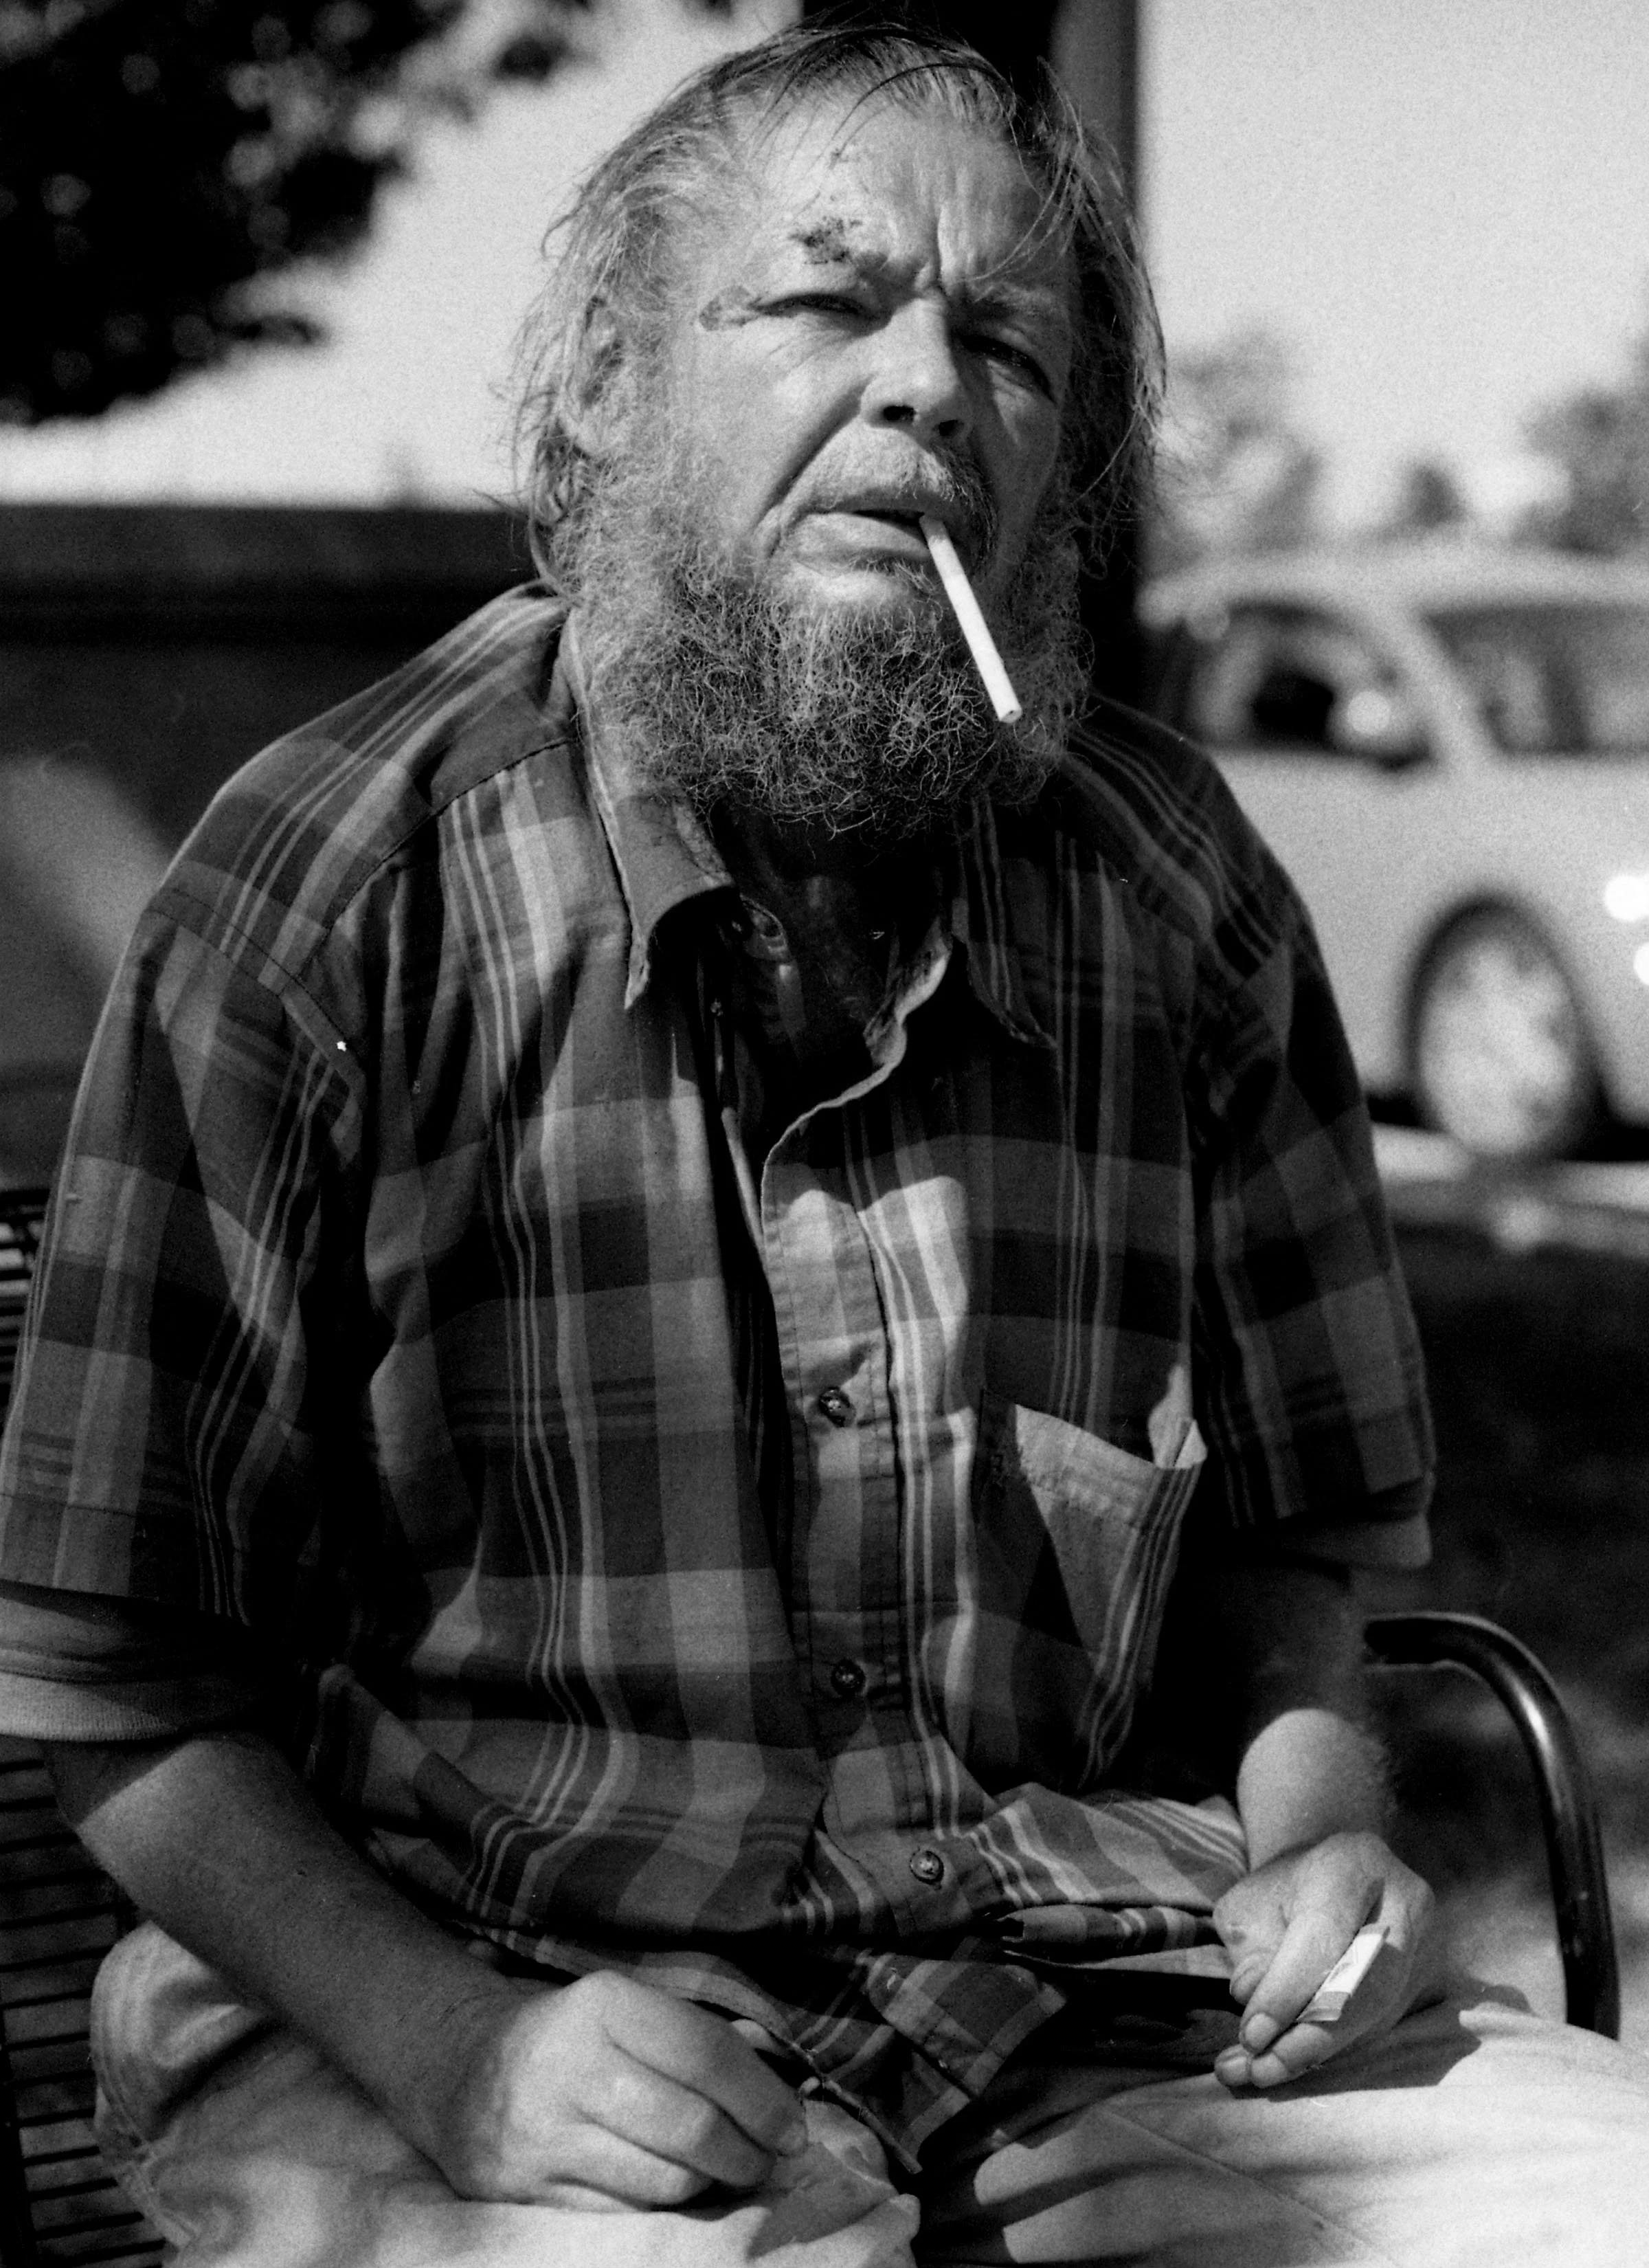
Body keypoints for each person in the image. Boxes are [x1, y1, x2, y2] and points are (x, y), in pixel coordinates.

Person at [0, 23, 1646, 2267]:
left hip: (1091, 2003)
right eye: (821, 302)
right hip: (472, 1996)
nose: (927, 391)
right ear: (601, 380)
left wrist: (1325, 1841)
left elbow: (1296, 1552)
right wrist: (457, 2050)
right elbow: (107, 1677)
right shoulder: (331, 891)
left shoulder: (1176, 895)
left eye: (1011, 348)